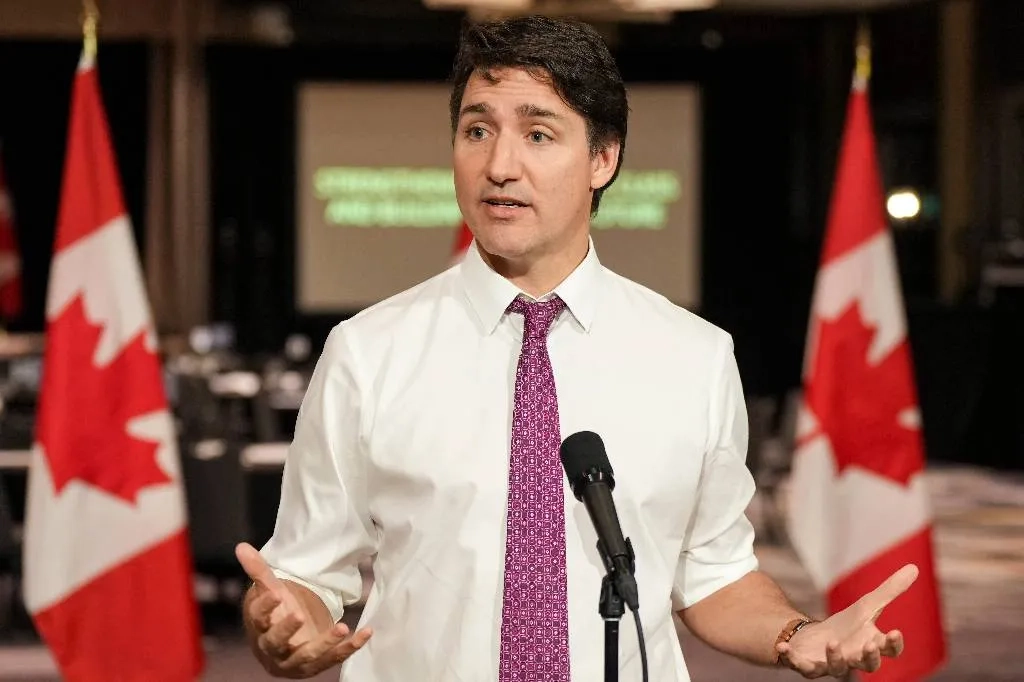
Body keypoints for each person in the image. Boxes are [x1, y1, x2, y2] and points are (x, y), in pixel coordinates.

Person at [236, 15, 918, 681]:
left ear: (603, 158)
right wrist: (285, 623)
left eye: (538, 134)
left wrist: (796, 635)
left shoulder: (695, 357)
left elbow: (713, 574)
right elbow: (301, 572)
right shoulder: (367, 353)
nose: (499, 166)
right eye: (477, 131)